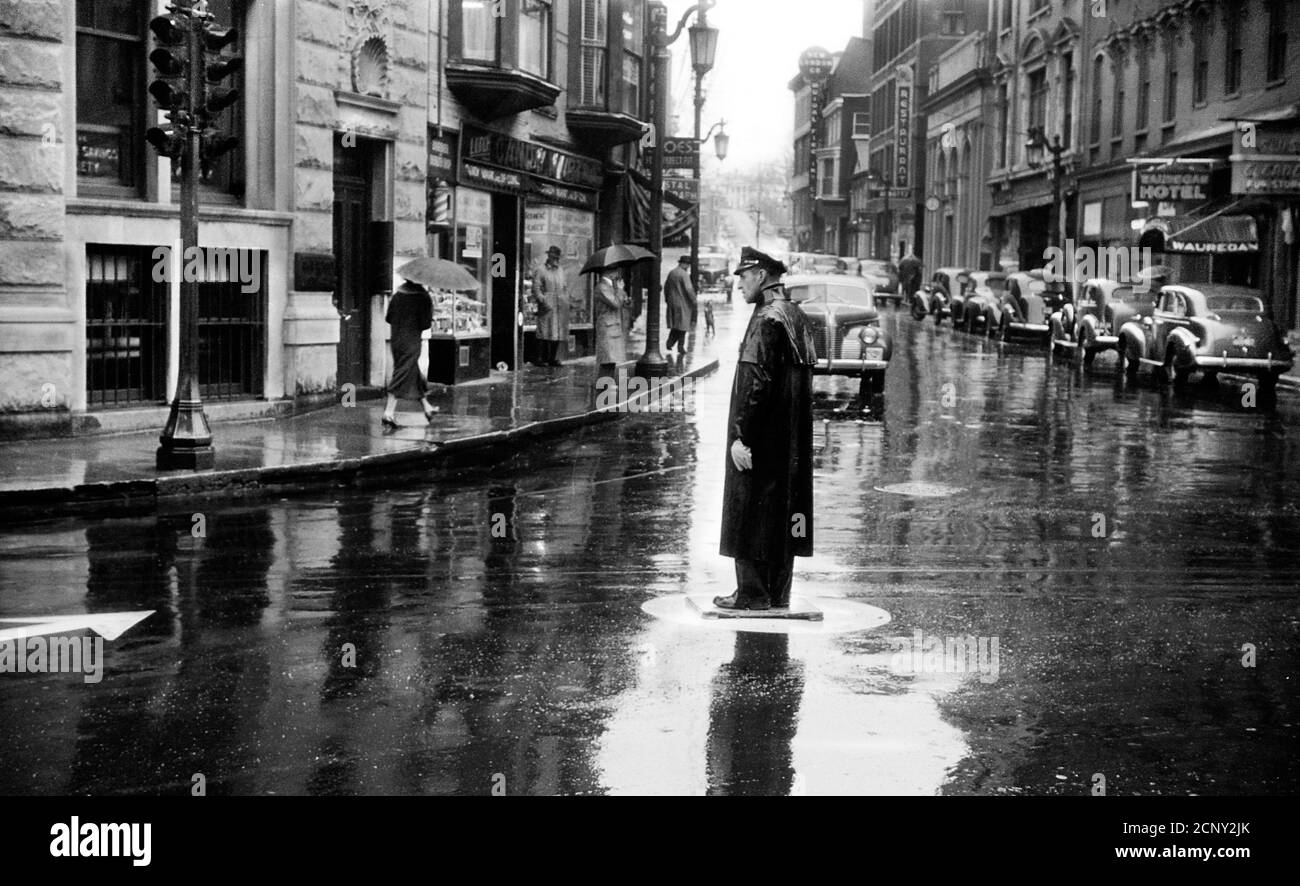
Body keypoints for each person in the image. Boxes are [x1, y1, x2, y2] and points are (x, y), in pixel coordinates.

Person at [715, 246, 818, 611]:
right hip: (789, 440)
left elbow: (754, 381)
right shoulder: (796, 316)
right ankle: (778, 592)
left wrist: (742, 435)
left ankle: (751, 593)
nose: (739, 284)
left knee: (750, 509)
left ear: (760, 275)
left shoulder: (764, 319)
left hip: (761, 437)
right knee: (786, 511)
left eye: (743, 277)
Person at [382, 278, 436, 428]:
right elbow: (425, 324)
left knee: (411, 371)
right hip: (412, 340)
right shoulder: (423, 297)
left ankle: (427, 408)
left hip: (397, 340)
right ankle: (388, 412)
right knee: (402, 373)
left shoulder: (397, 295)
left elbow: (389, 318)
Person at [534, 246, 570, 367]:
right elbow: (536, 287)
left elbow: (564, 286)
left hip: (559, 305)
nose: (555, 260)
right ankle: (541, 358)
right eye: (553, 257)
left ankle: (553, 358)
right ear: (548, 256)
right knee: (544, 331)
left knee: (557, 332)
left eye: (557, 258)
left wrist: (565, 300)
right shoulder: (541, 270)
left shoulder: (560, 271)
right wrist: (542, 300)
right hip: (547, 304)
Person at [594, 265, 628, 377]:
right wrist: (620, 289)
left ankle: (605, 384)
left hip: (613, 326)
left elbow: (622, 302)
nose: (618, 273)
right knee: (606, 360)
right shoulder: (602, 287)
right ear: (609, 272)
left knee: (611, 361)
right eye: (616, 270)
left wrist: (622, 293)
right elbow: (616, 303)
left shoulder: (611, 286)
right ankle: (602, 385)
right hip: (607, 327)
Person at [664, 254, 697, 355]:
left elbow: (666, 287)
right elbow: (689, 289)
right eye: (688, 265)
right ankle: (680, 346)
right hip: (683, 304)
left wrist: (667, 299)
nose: (688, 267)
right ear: (685, 264)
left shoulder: (672, 273)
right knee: (683, 326)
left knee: (675, 325)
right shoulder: (684, 274)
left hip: (672, 302)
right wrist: (694, 300)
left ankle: (670, 342)